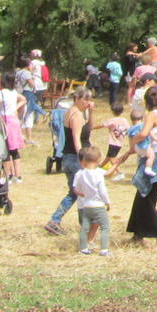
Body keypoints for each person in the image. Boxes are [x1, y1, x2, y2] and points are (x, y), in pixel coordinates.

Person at [124, 87, 157, 241]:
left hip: (153, 158)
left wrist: (133, 139)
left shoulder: (152, 115)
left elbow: (144, 133)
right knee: (143, 198)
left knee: (146, 199)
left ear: (145, 102)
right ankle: (138, 234)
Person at [43, 88, 93, 235]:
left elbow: (89, 128)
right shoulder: (76, 115)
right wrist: (82, 158)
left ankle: (82, 223)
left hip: (67, 158)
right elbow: (77, 140)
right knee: (76, 192)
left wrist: (91, 112)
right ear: (77, 99)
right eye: (86, 99)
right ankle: (55, 220)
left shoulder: (71, 111)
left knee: (77, 192)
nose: (88, 102)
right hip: (74, 158)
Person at [72, 145, 110, 255]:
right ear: (98, 160)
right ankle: (103, 249)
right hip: (98, 205)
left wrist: (83, 194)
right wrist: (107, 202)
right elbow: (102, 191)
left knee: (84, 227)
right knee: (104, 227)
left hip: (85, 205)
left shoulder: (81, 174)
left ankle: (83, 248)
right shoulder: (98, 173)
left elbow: (75, 188)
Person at [0, 72, 26, 184]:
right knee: (14, 149)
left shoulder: (1, 93)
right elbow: (23, 99)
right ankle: (18, 175)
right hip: (14, 120)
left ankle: (8, 174)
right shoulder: (13, 92)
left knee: (5, 150)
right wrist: (15, 108)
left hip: (4, 121)